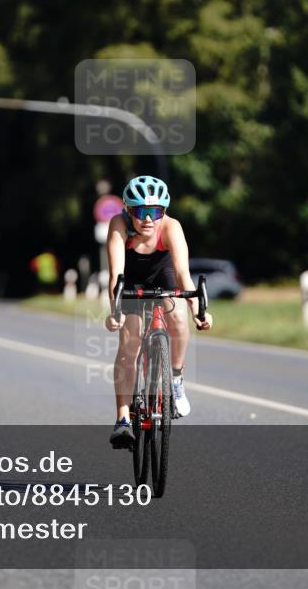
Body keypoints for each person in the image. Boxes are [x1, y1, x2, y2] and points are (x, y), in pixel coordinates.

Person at [104, 175, 213, 448]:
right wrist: (115, 311)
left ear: (163, 211)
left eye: (155, 212)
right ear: (128, 210)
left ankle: (175, 378)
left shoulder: (171, 227)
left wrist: (199, 311)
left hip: (163, 274)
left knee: (177, 317)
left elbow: (183, 275)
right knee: (129, 344)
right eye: (140, 211)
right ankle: (123, 419)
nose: (148, 219)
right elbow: (116, 275)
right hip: (130, 280)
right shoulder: (118, 225)